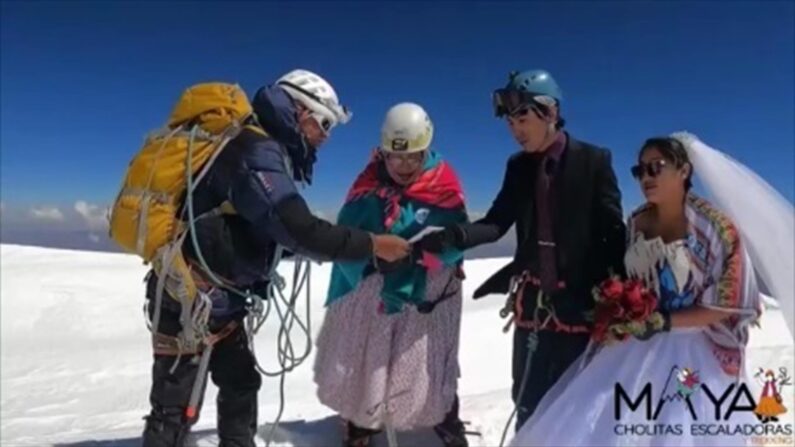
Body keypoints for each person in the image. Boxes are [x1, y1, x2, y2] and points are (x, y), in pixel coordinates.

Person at [141, 69, 410, 447]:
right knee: (176, 406)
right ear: (300, 111)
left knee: (239, 382)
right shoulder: (255, 150)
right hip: (190, 297)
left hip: (212, 298)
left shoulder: (254, 146)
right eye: (324, 123)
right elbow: (297, 228)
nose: (326, 137)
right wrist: (373, 245)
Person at [510, 134, 766, 446]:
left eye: (656, 167)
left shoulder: (715, 228)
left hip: (693, 348)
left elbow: (729, 302)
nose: (645, 177)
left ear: (683, 171)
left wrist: (663, 322)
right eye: (640, 170)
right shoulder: (636, 222)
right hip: (636, 345)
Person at [418, 69, 626, 429]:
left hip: (582, 305)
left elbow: (613, 235)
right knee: (527, 398)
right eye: (510, 122)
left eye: (522, 118)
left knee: (576, 400)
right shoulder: (518, 167)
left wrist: (616, 298)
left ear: (551, 112)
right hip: (534, 304)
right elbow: (497, 222)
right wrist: (451, 237)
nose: (515, 130)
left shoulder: (593, 161)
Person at [313, 103, 470, 447]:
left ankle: (444, 415)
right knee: (366, 359)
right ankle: (362, 423)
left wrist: (421, 260)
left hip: (426, 298)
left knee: (426, 362)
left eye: (413, 157)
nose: (403, 165)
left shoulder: (443, 188)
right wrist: (372, 258)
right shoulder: (367, 189)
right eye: (394, 157)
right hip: (372, 294)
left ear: (425, 150)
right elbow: (347, 236)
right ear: (383, 153)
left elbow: (457, 242)